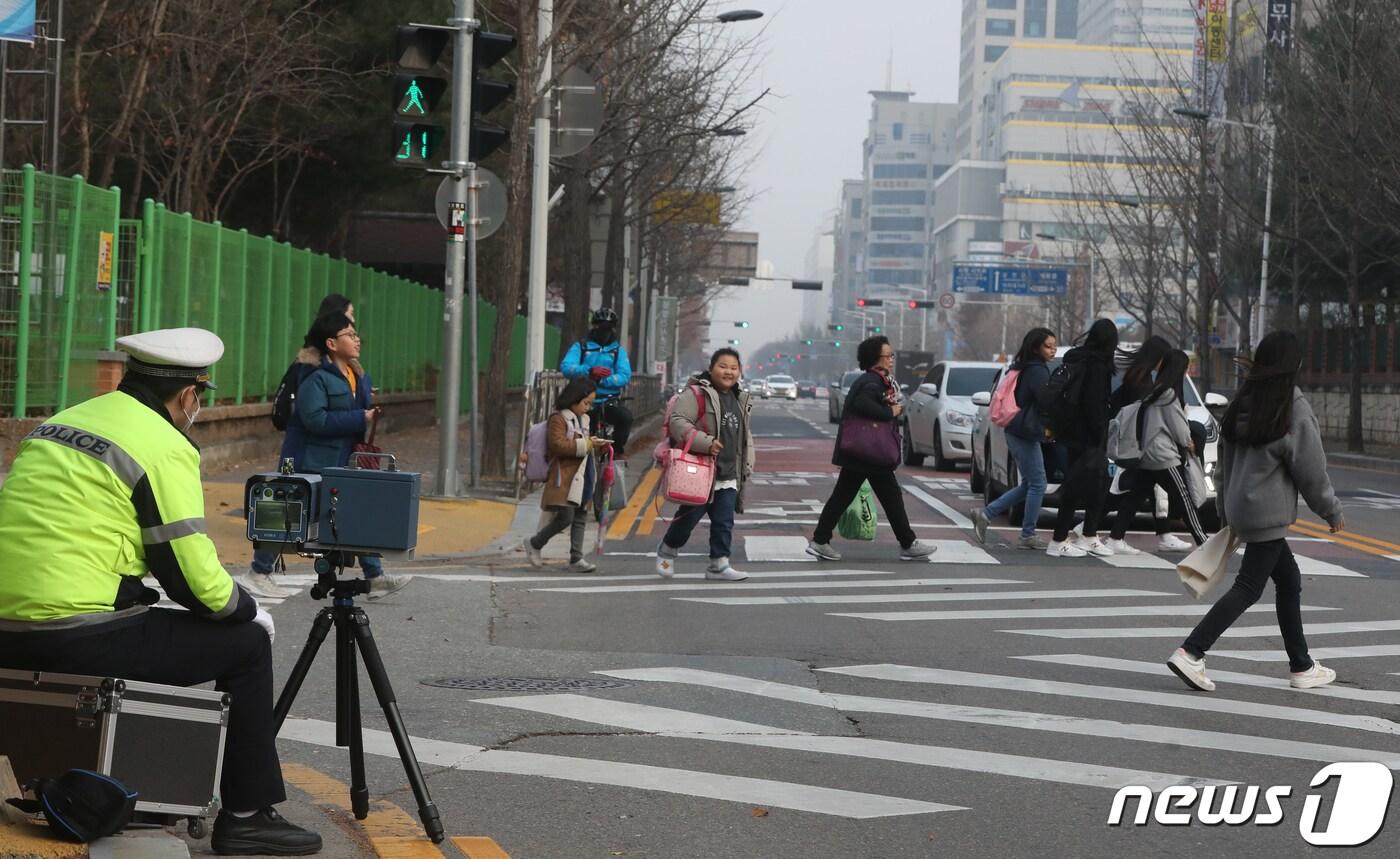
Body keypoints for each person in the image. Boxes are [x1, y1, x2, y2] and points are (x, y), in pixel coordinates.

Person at [0, 328, 322, 856]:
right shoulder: (163, 444)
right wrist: (248, 609)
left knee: (148, 623)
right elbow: (190, 577)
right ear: (189, 394)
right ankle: (246, 815)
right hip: (76, 636)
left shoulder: (59, 424)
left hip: (6, 629)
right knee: (244, 646)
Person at [1168, 330, 1344, 693]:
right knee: (1248, 587)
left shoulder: (1242, 403)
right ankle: (1191, 651)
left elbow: (1224, 465)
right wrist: (1331, 511)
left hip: (1242, 509)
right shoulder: (1291, 409)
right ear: (1293, 365)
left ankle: (1301, 664)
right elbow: (1311, 470)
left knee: (1289, 580)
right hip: (1267, 515)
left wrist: (1224, 509)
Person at [242, 293, 407, 598]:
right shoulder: (315, 377)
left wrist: (366, 414)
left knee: (354, 512)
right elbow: (314, 419)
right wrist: (360, 416)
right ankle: (258, 571)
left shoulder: (357, 375)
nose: (357, 339)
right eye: (350, 334)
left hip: (342, 461)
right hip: (309, 460)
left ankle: (375, 577)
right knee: (288, 516)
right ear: (331, 343)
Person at [807, 336, 938, 563]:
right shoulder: (872, 381)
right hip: (868, 452)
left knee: (846, 496)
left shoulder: (871, 380)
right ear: (876, 358)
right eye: (888, 355)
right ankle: (908, 544)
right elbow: (863, 404)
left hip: (861, 453)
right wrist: (890, 412)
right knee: (889, 497)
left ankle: (820, 540)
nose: (891, 359)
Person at [655, 348, 755, 581]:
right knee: (688, 518)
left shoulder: (740, 398)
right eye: (723, 366)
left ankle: (718, 565)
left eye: (734, 367)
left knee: (724, 522)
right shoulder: (697, 394)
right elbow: (678, 422)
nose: (728, 372)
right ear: (711, 369)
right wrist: (705, 443)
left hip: (728, 472)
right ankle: (668, 549)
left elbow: (744, 435)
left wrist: (747, 463)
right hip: (700, 472)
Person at [1107, 349, 1209, 549]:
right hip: (1164, 456)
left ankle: (1115, 538)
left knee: (1134, 497)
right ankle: (1203, 541)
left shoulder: (1154, 391)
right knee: (1185, 498)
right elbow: (1180, 430)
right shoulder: (1169, 394)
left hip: (1146, 454)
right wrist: (1189, 442)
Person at [972, 327, 1056, 551]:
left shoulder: (1026, 367)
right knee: (1038, 483)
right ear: (1036, 347)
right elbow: (1045, 400)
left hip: (1018, 430)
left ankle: (985, 514)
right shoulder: (1038, 371)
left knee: (1030, 483)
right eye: (1048, 346)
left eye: (1054, 346)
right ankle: (1028, 534)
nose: (1052, 350)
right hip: (1024, 431)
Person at [1046, 319, 1119, 558]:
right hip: (1089, 436)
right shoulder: (1097, 365)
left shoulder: (1077, 358)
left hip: (1071, 432)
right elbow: (1094, 404)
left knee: (1086, 484)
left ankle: (1086, 534)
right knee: (1084, 486)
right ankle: (1062, 539)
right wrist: (1101, 435)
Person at [522, 378, 610, 573]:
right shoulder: (558, 418)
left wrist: (596, 445)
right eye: (586, 403)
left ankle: (576, 558)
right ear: (574, 399)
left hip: (583, 474)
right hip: (564, 476)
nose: (588, 407)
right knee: (565, 517)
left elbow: (584, 443)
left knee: (580, 515)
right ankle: (535, 543)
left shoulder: (584, 419)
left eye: (591, 403)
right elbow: (558, 445)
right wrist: (587, 444)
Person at [561, 308, 633, 452]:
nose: (604, 331)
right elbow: (567, 367)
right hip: (582, 400)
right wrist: (589, 372)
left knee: (626, 418)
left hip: (608, 400)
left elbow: (625, 375)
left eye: (608, 327)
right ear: (594, 326)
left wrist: (603, 380)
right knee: (578, 425)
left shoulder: (618, 351)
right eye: (600, 326)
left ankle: (616, 452)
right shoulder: (580, 347)